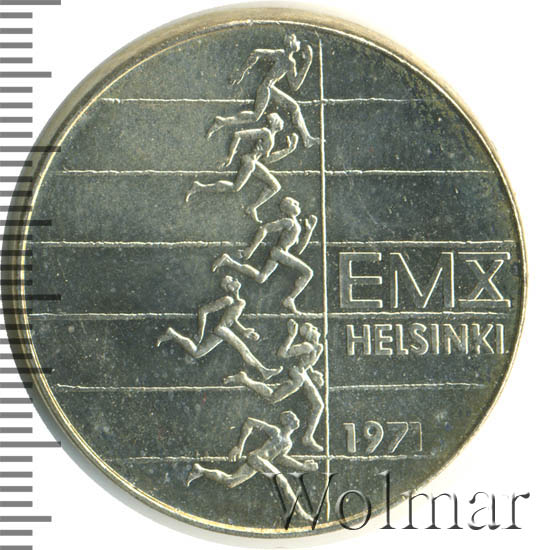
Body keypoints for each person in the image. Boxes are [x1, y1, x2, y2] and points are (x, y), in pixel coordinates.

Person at [186, 411, 318, 522]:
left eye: (296, 418)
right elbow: (250, 422)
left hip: (260, 463)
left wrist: (302, 466)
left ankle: (200, 470)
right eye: (293, 418)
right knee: (283, 482)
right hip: (256, 458)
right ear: (287, 421)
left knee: (230, 481)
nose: (297, 420)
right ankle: (301, 513)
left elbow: (281, 459)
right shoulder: (276, 431)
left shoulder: (288, 443)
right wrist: (239, 446)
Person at [225, 319, 325, 452]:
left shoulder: (318, 347)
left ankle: (308, 437)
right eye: (313, 329)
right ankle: (244, 379)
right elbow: (282, 353)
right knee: (272, 397)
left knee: (319, 404)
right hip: (297, 375)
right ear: (309, 334)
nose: (317, 330)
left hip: (303, 374)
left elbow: (307, 363)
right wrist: (291, 336)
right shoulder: (307, 346)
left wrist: (313, 374)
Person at [156, 275, 281, 380]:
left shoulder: (241, 302)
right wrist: (200, 331)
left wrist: (244, 331)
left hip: (223, 331)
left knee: (197, 353)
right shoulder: (228, 300)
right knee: (243, 349)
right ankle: (263, 370)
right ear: (229, 287)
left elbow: (232, 320)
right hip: (222, 329)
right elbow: (203, 311)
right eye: (233, 280)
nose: (236, 280)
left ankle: (172, 334)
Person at [207, 33, 319, 149]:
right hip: (266, 87)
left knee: (294, 107)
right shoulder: (280, 54)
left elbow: (294, 85)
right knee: (255, 116)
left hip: (271, 88)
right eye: (296, 41)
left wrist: (307, 63)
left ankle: (307, 138)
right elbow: (256, 53)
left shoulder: (291, 63)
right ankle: (223, 122)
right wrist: (241, 72)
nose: (299, 43)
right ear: (291, 44)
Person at [211, 197, 317, 314]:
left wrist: (309, 231)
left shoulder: (296, 226)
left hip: (280, 254)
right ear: (286, 208)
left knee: (261, 278)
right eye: (294, 203)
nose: (298, 203)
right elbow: (264, 228)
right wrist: (251, 249)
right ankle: (290, 299)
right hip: (279, 253)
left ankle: (228, 261)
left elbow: (298, 250)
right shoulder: (289, 222)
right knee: (308, 272)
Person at [186, 113, 298, 222]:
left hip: (254, 162)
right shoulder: (265, 133)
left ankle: (252, 207)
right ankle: (199, 187)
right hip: (249, 161)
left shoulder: (271, 136)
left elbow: (266, 160)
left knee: (275, 186)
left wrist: (288, 150)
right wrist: (230, 156)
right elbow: (238, 135)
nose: (282, 123)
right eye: (280, 121)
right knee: (235, 187)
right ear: (275, 122)